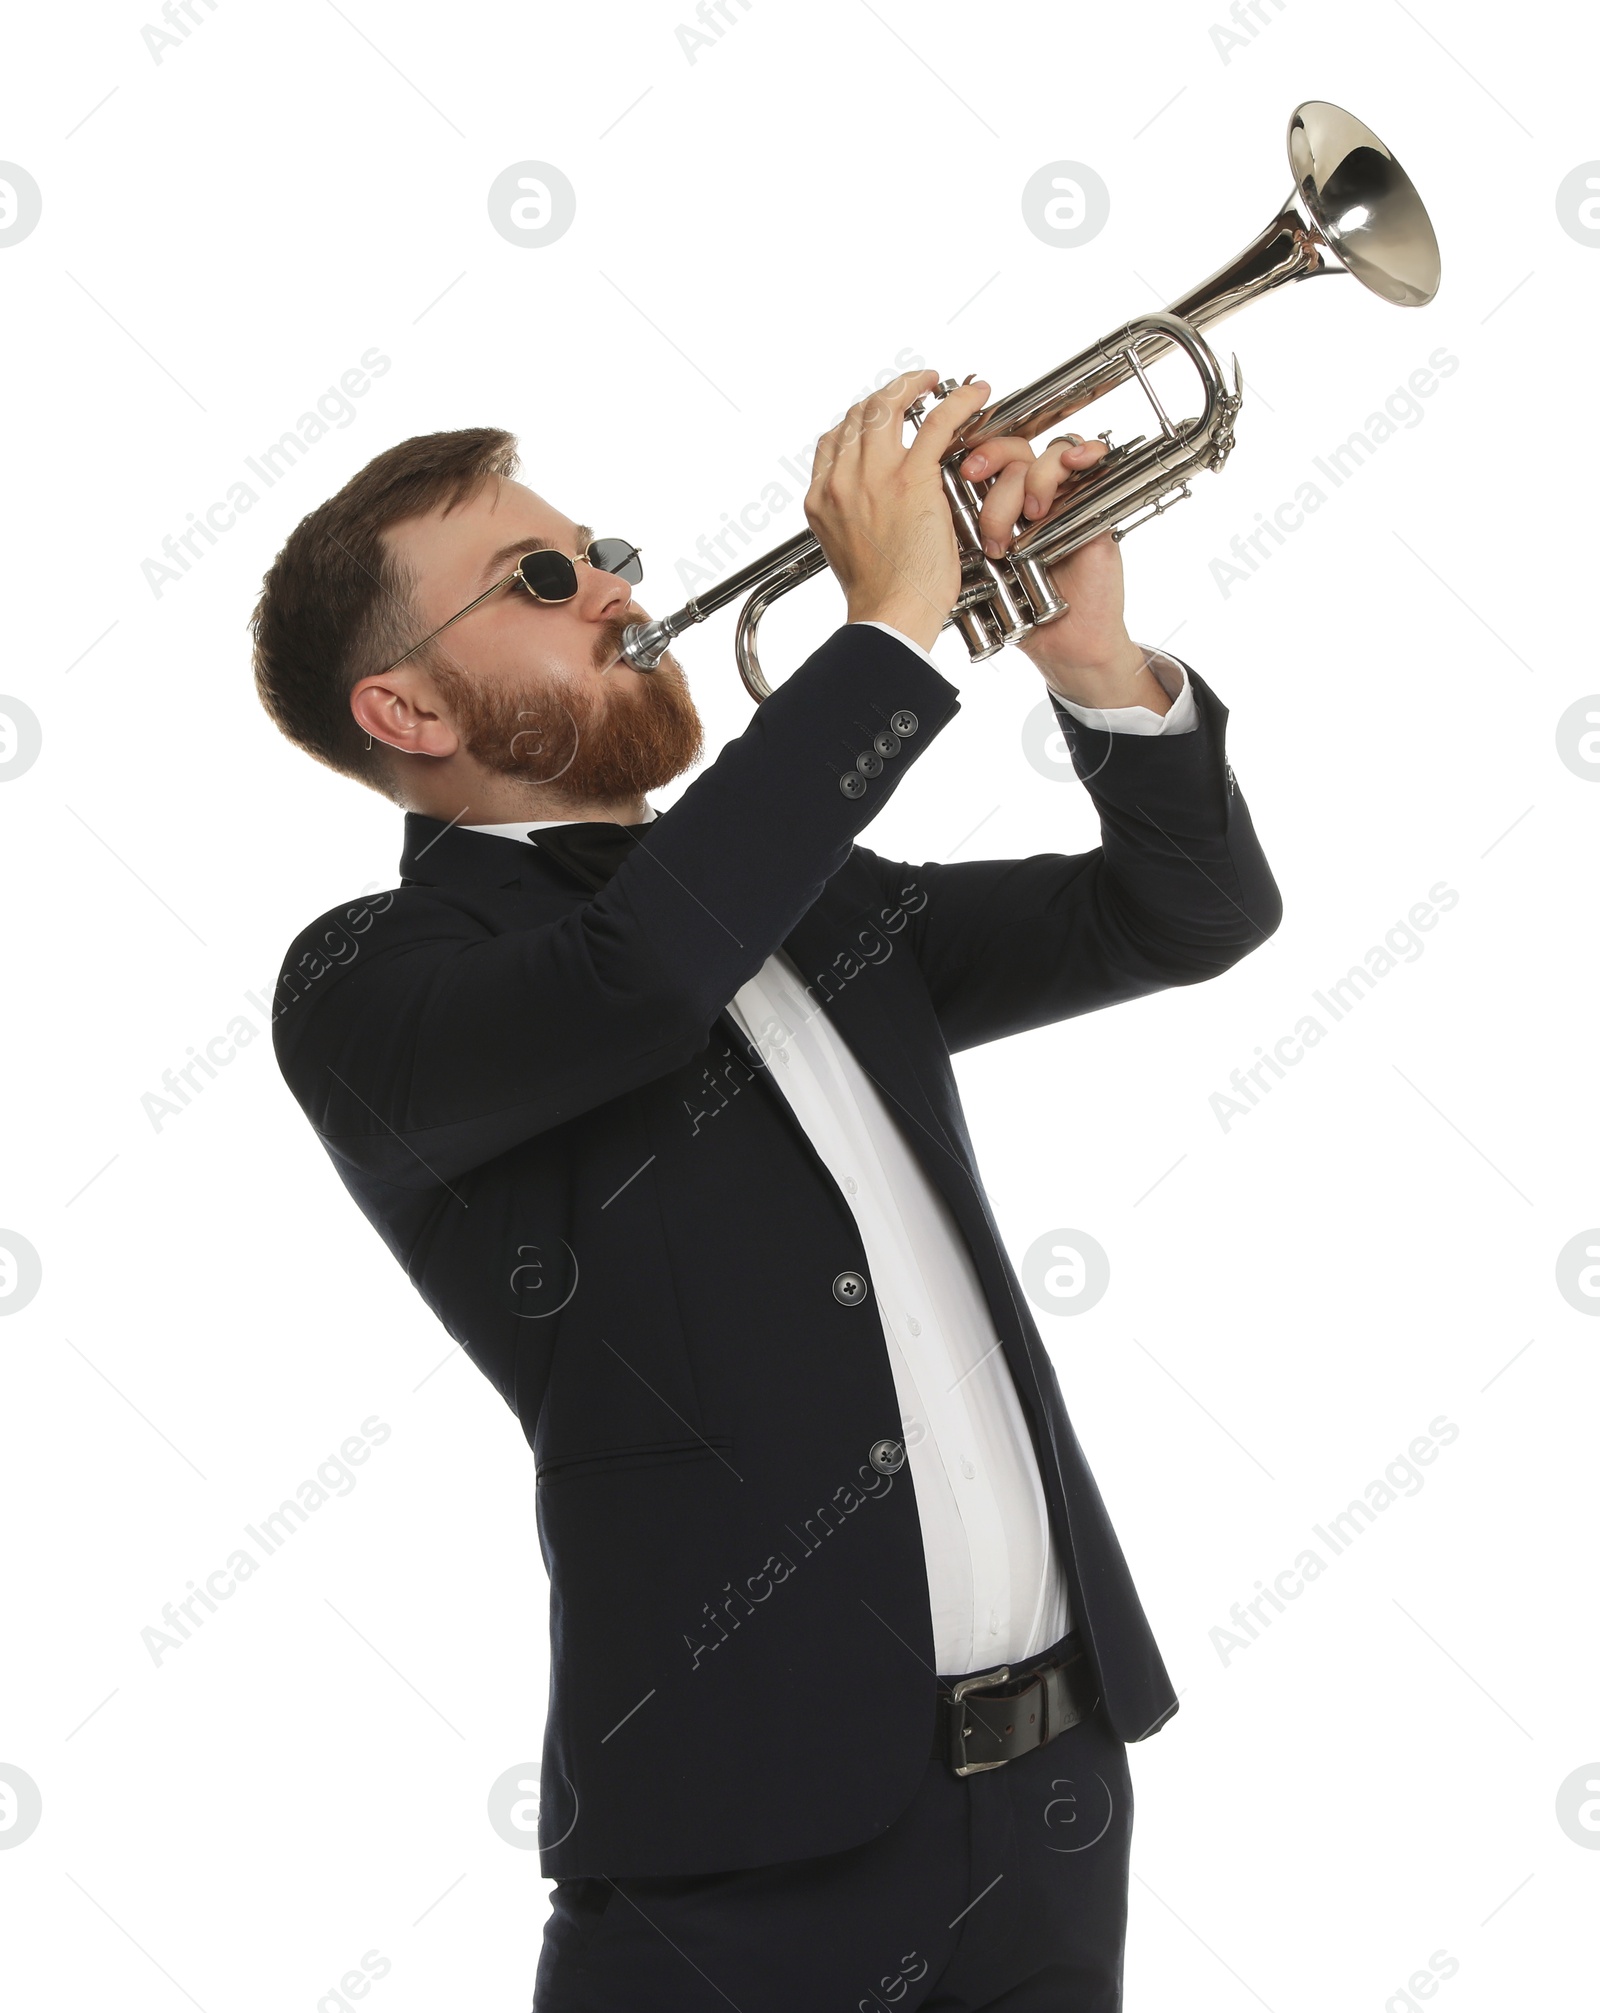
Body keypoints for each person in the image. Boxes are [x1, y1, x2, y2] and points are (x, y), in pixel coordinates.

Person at [250, 370, 1281, 2010]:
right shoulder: (370, 985)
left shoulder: (813, 911)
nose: (615, 588)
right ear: (408, 712)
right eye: (542, 578)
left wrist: (1092, 663)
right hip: (735, 1873)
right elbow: (638, 974)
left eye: (596, 547)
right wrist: (879, 632)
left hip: (1053, 1804)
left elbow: (1188, 912)